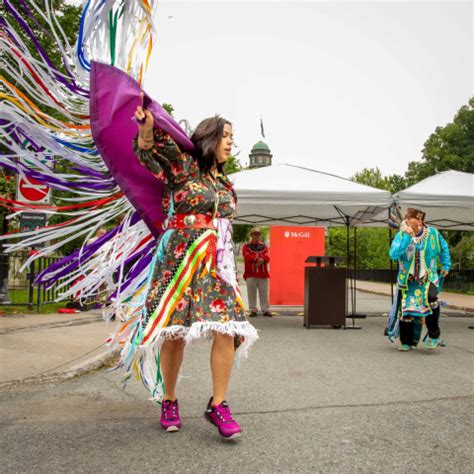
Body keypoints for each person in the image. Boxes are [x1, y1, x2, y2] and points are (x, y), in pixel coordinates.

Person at [131, 100, 258, 439]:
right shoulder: (184, 166)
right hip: (179, 258)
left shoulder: (225, 185)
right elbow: (151, 149)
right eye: (225, 136)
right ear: (208, 138)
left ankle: (218, 404)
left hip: (215, 264)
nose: (231, 142)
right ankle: (169, 400)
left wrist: (230, 271)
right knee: (174, 335)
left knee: (227, 329)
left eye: (233, 136)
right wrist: (145, 130)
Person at [389, 208, 450, 351]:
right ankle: (406, 341)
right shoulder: (401, 235)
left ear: (421, 221)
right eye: (408, 219)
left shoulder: (433, 234)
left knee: (431, 298)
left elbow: (444, 248)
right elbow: (393, 254)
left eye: (412, 219)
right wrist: (407, 238)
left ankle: (433, 336)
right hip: (408, 280)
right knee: (406, 310)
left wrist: (446, 265)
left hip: (428, 278)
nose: (407, 221)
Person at [242, 227, 271, 317]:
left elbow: (267, 257)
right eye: (255, 234)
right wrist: (257, 259)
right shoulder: (245, 246)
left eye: (258, 234)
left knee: (264, 293)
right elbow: (247, 257)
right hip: (251, 273)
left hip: (263, 274)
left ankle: (265, 310)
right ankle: (253, 309)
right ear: (251, 235)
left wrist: (261, 261)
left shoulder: (264, 246)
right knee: (251, 293)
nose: (257, 236)